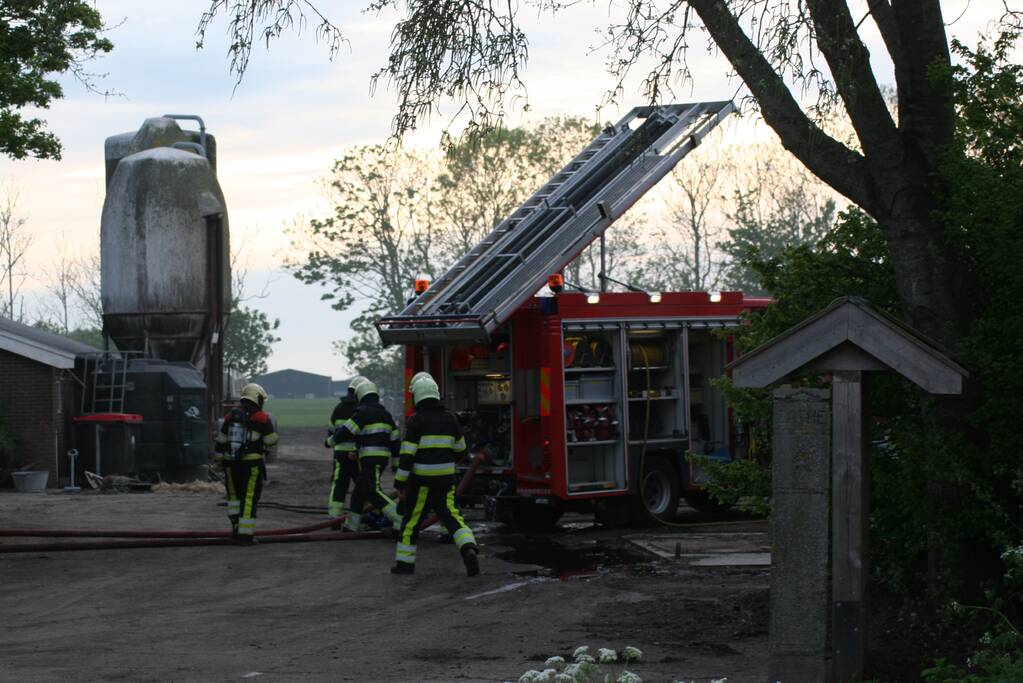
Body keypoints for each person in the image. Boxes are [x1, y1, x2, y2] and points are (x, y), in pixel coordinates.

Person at [391, 372, 480, 576]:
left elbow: (406, 456)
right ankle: (468, 548)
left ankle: (404, 565)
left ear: (417, 397)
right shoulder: (451, 419)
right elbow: (461, 450)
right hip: (446, 479)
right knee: (452, 516)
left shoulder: (415, 421)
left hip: (422, 481)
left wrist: (400, 483)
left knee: (412, 521)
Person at [334, 379, 402, 531]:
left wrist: (331, 441)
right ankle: (352, 525)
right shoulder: (386, 414)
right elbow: (396, 441)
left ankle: (399, 516)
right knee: (359, 491)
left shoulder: (361, 413)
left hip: (370, 459)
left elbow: (345, 431)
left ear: (360, 396)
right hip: (382, 459)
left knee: (373, 491)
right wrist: (396, 464)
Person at [214, 383, 278, 545]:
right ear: (257, 399)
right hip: (251, 465)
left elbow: (220, 442)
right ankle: (245, 535)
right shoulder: (262, 418)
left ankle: (235, 529)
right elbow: (271, 441)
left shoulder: (230, 417)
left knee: (234, 497)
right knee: (248, 497)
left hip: (230, 463)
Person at [325, 376, 367, 520]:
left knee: (339, 485)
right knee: (363, 486)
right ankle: (366, 514)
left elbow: (331, 431)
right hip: (357, 455)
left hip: (340, 454)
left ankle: (335, 516)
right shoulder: (362, 410)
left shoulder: (338, 408)